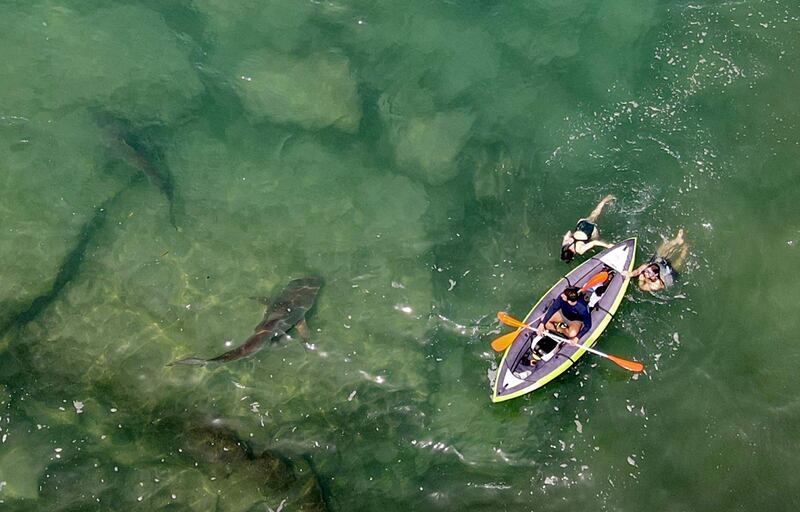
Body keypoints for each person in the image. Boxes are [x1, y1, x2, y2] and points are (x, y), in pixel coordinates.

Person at [624, 229, 689, 292]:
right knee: (661, 252)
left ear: (655, 276)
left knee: (678, 261)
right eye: (647, 270)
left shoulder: (656, 284)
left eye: (648, 273)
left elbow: (643, 287)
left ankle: (685, 249)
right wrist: (631, 274)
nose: (645, 272)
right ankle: (677, 240)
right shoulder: (648, 267)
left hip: (667, 275)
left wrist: (641, 281)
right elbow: (638, 271)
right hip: (664, 270)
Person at [561, 194, 616, 263]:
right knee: (594, 214)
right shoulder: (565, 244)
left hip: (590, 231)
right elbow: (568, 232)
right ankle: (605, 200)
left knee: (596, 240)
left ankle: (607, 244)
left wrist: (607, 246)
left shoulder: (580, 250)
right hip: (581, 225)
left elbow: (594, 243)